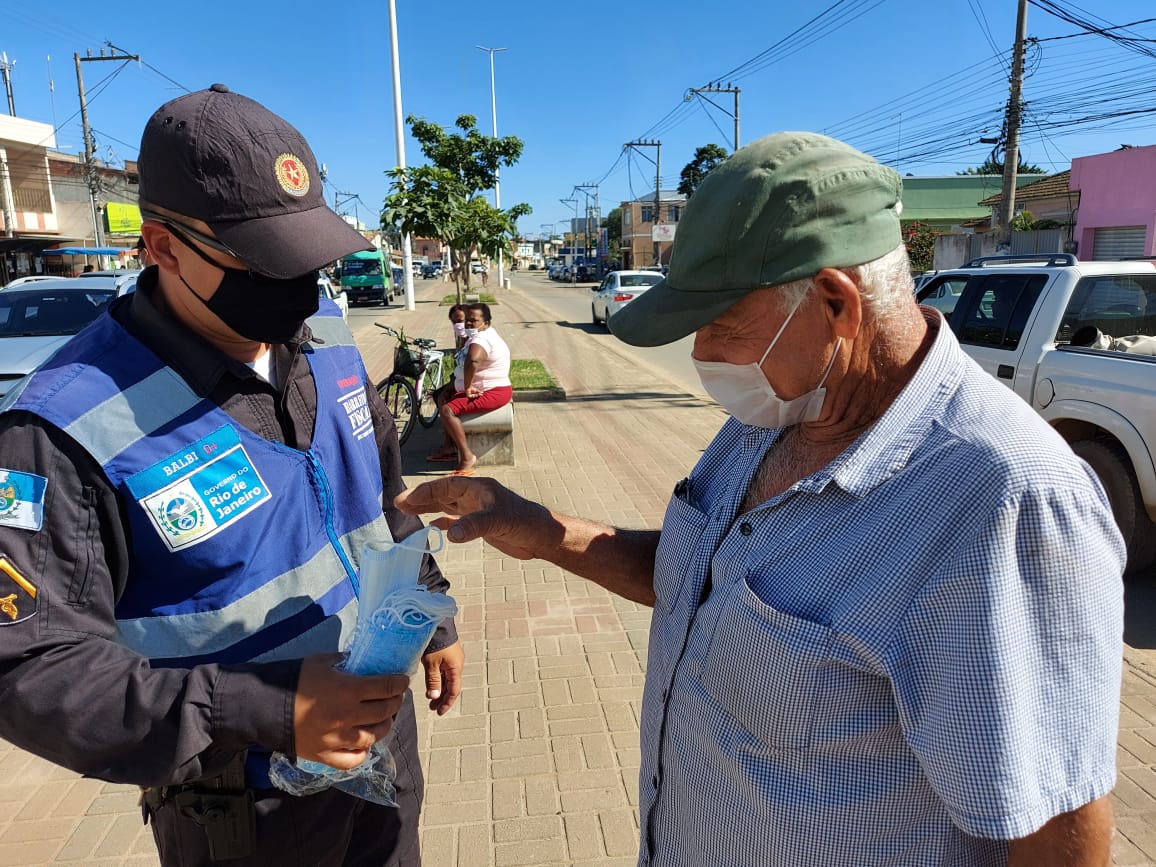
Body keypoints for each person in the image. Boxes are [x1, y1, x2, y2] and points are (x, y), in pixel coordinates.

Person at [397, 132, 1124, 865]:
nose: (704, 355)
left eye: (721, 325)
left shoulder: (1004, 500)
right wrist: (539, 528)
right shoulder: (778, 411)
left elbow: (1057, 831)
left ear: (836, 303)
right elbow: (700, 580)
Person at [0, 84, 463, 866]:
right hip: (246, 807)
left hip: (381, 760)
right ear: (161, 245)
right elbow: (31, 666)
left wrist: (433, 606)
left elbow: (386, 506)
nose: (296, 286)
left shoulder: (334, 357)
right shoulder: (62, 430)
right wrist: (262, 707)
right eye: (262, 261)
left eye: (306, 255)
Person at [426, 303, 511, 475]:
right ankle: (449, 448)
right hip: (484, 387)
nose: (469, 324)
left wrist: (467, 387)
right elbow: (462, 365)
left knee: (448, 409)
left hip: (494, 391)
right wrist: (451, 386)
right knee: (441, 396)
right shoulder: (477, 336)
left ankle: (467, 456)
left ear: (486, 322)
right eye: (468, 320)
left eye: (474, 320)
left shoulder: (482, 339)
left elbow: (472, 361)